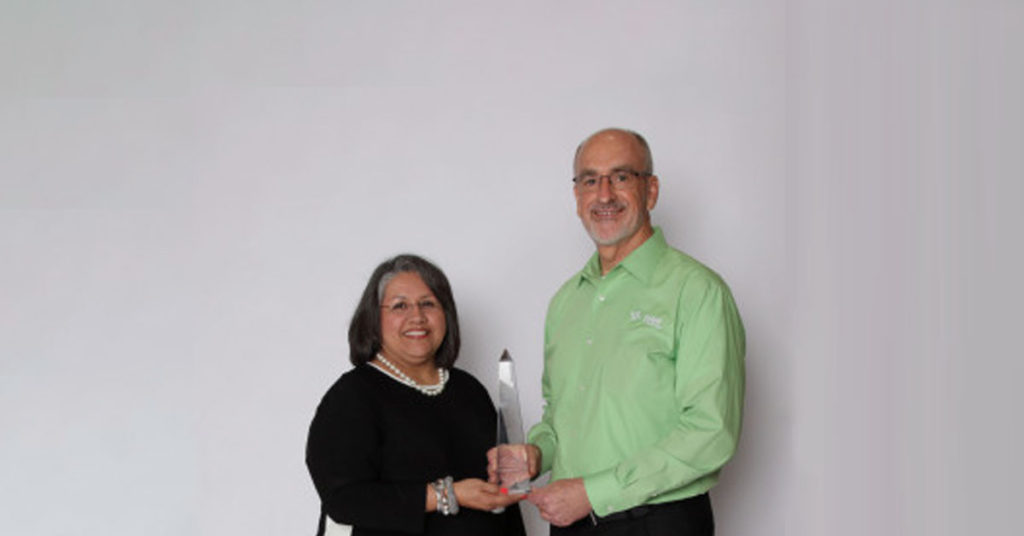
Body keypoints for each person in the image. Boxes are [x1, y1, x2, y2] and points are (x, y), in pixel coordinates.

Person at [489, 128, 745, 535]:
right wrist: (537, 453)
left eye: (621, 177)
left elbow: (710, 433)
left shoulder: (697, 292)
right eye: (590, 180)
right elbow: (559, 416)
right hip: (571, 524)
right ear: (577, 197)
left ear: (651, 190)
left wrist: (594, 492)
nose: (604, 195)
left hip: (658, 523)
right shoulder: (566, 302)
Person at [307, 254, 526, 536]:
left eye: (428, 304)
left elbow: (506, 503)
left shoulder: (469, 390)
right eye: (400, 306)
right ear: (374, 318)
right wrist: (447, 495)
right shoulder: (353, 396)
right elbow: (343, 500)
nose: (417, 317)